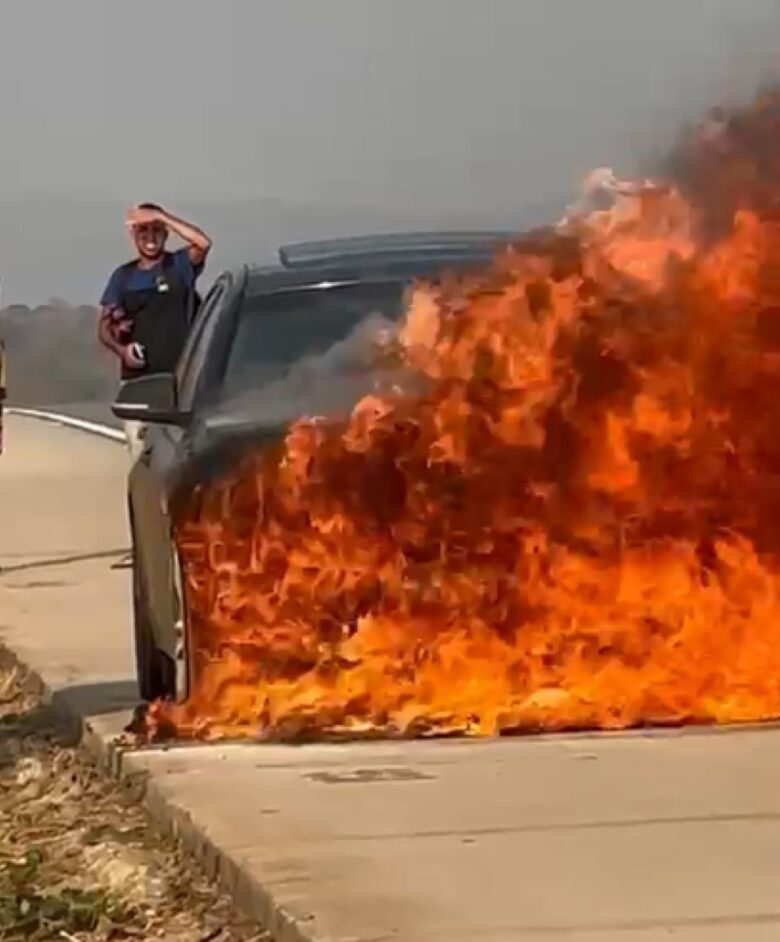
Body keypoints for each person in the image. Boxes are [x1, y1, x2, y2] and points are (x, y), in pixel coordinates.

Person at [97, 203, 212, 460]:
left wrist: (162, 216)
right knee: (141, 457)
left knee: (182, 455)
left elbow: (203, 243)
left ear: (166, 233)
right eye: (143, 232)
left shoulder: (179, 266)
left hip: (180, 380)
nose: (150, 238)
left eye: (156, 231)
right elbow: (103, 327)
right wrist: (122, 350)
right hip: (138, 383)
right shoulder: (123, 277)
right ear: (133, 237)